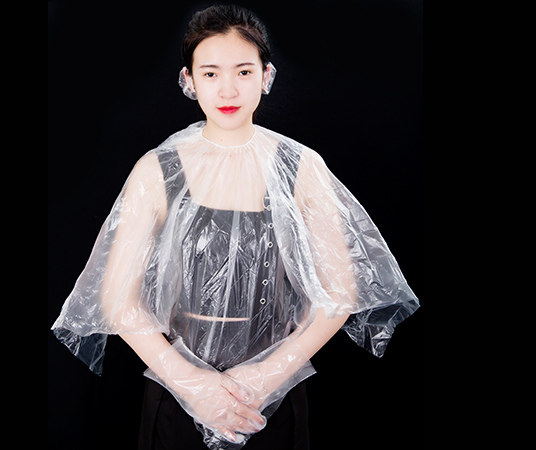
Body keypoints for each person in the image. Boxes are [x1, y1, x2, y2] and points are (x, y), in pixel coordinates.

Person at [51, 5, 419, 450]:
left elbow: (340, 294)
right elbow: (116, 300)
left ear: (266, 75)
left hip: (273, 399)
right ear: (189, 80)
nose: (228, 89)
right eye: (210, 74)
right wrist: (193, 386)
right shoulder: (158, 170)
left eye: (244, 72)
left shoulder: (301, 168)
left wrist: (264, 378)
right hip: (176, 397)